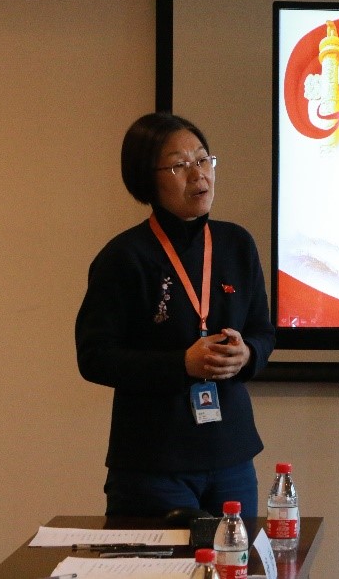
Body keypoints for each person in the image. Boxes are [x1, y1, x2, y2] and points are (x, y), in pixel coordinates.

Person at [76, 112, 275, 518]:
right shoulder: (124, 257)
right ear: (146, 179)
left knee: (235, 556)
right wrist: (181, 364)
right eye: (179, 165)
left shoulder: (236, 244)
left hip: (231, 457)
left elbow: (262, 330)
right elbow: (94, 357)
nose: (198, 175)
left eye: (203, 160)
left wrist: (248, 354)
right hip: (154, 462)